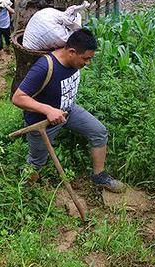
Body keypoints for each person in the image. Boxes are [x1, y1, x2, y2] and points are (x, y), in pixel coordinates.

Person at [11, 29, 125, 193]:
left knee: (99, 132)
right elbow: (18, 97)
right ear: (71, 52)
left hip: (68, 111)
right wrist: (48, 110)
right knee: (36, 163)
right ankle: (22, 193)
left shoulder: (74, 61)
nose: (87, 63)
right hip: (43, 123)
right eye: (85, 59)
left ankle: (98, 176)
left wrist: (59, 110)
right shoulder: (44, 67)